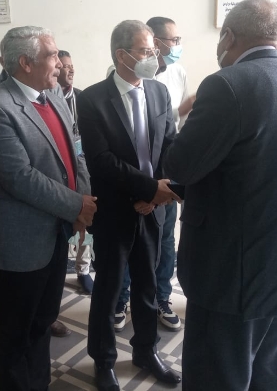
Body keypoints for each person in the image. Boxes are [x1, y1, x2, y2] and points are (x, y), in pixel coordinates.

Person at [164, 0, 277, 390]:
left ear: (228, 36)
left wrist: (181, 122)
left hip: (231, 277)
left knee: (216, 378)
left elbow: (180, 166)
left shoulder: (226, 85)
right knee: (269, 376)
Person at [0, 27, 96, 391]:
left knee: (43, 321)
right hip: (22, 243)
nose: (60, 63)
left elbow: (76, 151)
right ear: (25, 63)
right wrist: (76, 204)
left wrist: (84, 200)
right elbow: (19, 177)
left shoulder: (53, 96)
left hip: (58, 230)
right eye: (52, 56)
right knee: (15, 330)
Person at [78, 20, 181, 390]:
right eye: (145, 50)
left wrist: (157, 193)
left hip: (153, 209)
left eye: (154, 50)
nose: (154, 56)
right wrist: (149, 189)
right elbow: (101, 160)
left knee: (148, 286)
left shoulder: (159, 92)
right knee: (108, 290)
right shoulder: (92, 99)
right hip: (114, 211)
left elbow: (169, 143)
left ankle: (146, 351)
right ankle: (104, 361)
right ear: (121, 55)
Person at [113, 17, 194, 333]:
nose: (176, 47)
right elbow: (121, 142)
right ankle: (121, 300)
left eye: (177, 41)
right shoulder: (117, 79)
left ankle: (161, 299)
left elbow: (171, 136)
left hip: (165, 181)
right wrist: (145, 191)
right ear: (156, 42)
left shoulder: (176, 74)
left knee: (165, 244)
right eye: (172, 41)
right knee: (128, 244)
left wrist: (162, 189)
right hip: (131, 187)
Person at [57, 49, 94, 294]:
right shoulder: (47, 98)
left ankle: (83, 269)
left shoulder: (83, 98)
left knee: (84, 215)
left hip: (82, 166)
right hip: (56, 167)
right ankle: (58, 268)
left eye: (72, 65)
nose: (70, 69)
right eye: (65, 65)